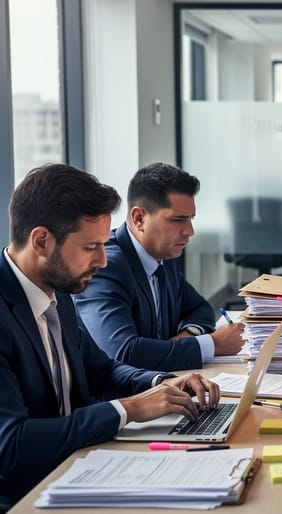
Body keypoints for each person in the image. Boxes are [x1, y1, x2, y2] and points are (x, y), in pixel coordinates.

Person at [0, 164, 221, 510]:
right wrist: (129, 409)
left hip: (79, 468)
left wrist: (163, 384)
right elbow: (12, 447)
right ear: (41, 241)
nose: (103, 261)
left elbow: (103, 371)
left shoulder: (60, 293)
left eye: (104, 245)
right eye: (91, 247)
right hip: (25, 496)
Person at [73, 163, 244, 371]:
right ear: (139, 218)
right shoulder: (106, 266)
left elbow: (200, 309)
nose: (189, 231)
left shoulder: (164, 255)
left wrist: (183, 339)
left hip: (167, 384)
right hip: (124, 398)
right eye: (178, 220)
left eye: (191, 219)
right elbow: (123, 352)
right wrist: (213, 344)